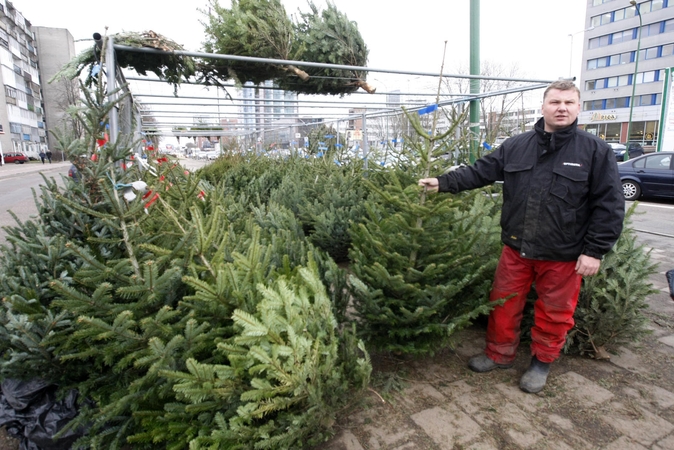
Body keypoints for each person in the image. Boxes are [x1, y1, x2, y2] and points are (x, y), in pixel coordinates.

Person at [418, 80, 625, 394]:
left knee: (555, 312)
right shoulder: (517, 145)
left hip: (564, 254)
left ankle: (541, 363)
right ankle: (498, 354)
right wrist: (443, 182)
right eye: (555, 102)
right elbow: (480, 171)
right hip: (517, 248)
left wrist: (594, 251)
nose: (562, 108)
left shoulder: (595, 151)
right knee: (503, 303)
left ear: (579, 108)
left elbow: (609, 204)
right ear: (543, 106)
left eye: (569, 103)